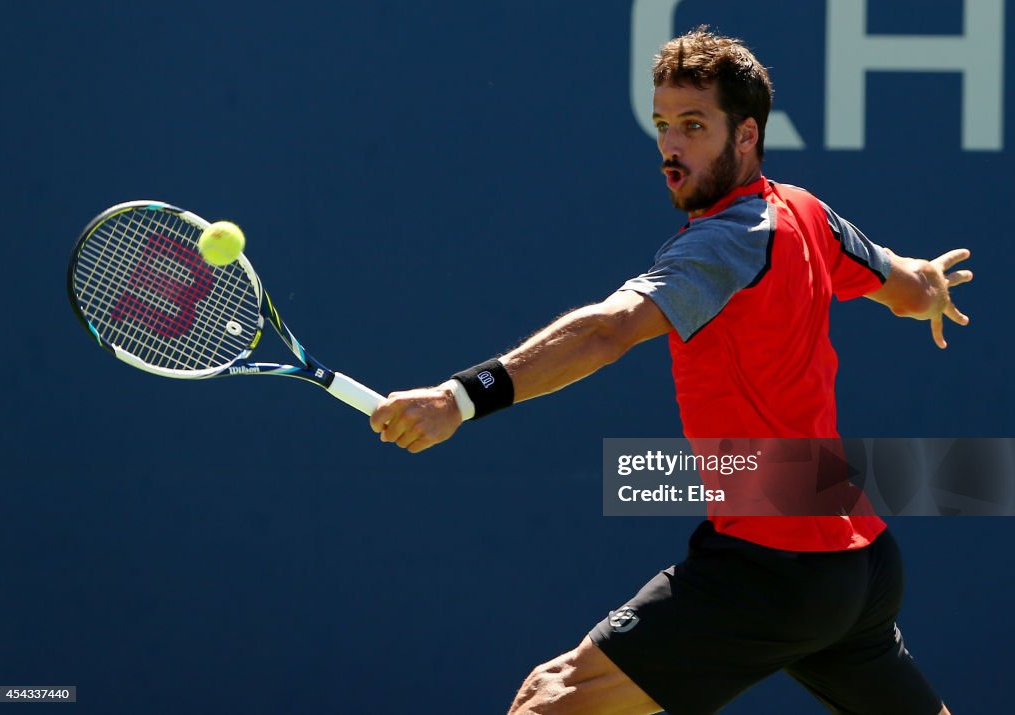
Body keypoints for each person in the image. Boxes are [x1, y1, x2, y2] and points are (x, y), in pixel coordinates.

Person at [370, 27, 971, 715]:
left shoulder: (723, 242)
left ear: (746, 136)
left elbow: (607, 330)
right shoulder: (808, 214)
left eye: (693, 126)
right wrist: (929, 284)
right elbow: (906, 285)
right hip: (855, 565)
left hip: (773, 568)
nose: (671, 148)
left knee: (549, 699)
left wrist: (459, 398)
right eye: (662, 126)